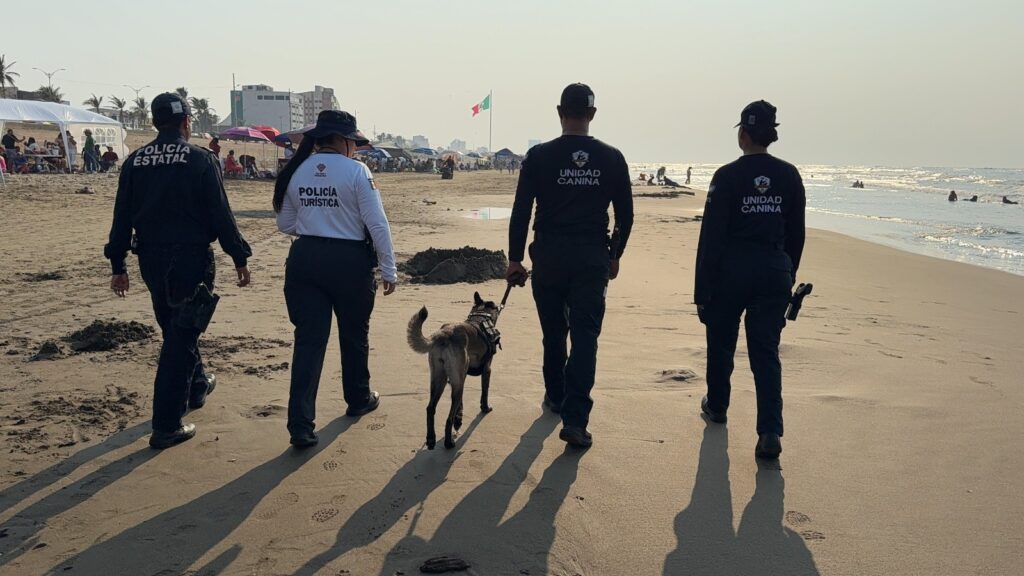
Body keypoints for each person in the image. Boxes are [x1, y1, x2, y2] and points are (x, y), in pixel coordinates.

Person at [104, 92, 253, 449]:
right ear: (187, 122)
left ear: (156, 123)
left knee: (175, 327)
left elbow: (121, 216)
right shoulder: (201, 159)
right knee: (180, 336)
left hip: (151, 261)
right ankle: (167, 424)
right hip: (190, 259)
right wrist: (239, 256)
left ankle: (197, 384)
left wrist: (118, 263)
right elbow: (221, 214)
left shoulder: (136, 161)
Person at [507, 83, 634, 448]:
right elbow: (624, 215)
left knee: (553, 332)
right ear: (592, 115)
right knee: (585, 337)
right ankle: (575, 419)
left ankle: (556, 397)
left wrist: (515, 258)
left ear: (560, 112)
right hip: (590, 257)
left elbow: (521, 212)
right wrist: (615, 255)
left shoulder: (539, 156)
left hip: (548, 255)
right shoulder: (611, 157)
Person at [273, 110, 398, 448]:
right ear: (343, 141)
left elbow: (284, 224)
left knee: (309, 343)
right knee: (354, 334)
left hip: (305, 259)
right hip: (348, 261)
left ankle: (300, 424)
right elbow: (377, 224)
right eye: (353, 143)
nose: (355, 149)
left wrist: (318, 223)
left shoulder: (297, 169)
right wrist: (389, 269)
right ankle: (357, 397)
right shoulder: (358, 171)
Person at [694, 100, 805, 461]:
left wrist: (702, 291)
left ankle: (718, 405)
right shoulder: (789, 175)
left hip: (732, 270)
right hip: (773, 269)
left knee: (721, 344)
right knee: (766, 353)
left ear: (743, 134)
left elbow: (711, 236)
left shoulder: (726, 176)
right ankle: (769, 430)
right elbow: (797, 235)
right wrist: (788, 274)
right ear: (770, 135)